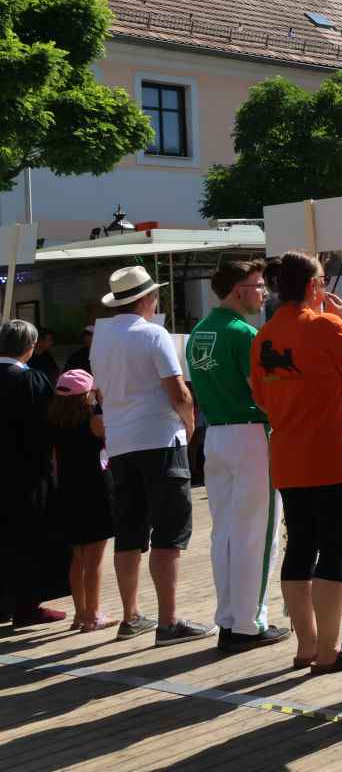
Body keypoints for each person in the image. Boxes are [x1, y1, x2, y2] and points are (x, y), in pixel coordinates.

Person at [251, 251, 342, 676]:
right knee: (335, 548)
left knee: (301, 546)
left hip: (289, 454)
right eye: (323, 280)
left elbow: (262, 397)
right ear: (313, 287)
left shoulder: (264, 335)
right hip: (334, 455)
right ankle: (329, 650)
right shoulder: (326, 326)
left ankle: (306, 644)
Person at [91, 266, 212, 646]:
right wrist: (190, 425)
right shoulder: (153, 333)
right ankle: (168, 621)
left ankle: (131, 616)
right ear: (145, 299)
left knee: (129, 533)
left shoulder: (101, 339)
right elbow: (178, 392)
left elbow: (103, 395)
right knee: (169, 533)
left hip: (122, 444)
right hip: (159, 440)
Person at [186, 259, 290, 653]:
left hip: (217, 437)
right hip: (251, 435)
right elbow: (263, 393)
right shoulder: (244, 333)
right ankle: (249, 621)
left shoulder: (198, 332)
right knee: (258, 533)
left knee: (225, 533)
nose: (263, 292)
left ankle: (230, 616)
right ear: (236, 290)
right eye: (257, 285)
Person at [0, 319, 67, 628]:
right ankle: (26, 606)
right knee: (26, 540)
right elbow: (51, 427)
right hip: (26, 474)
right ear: (29, 347)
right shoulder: (31, 381)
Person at [46, 369, 115, 631]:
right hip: (95, 490)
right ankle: (93, 614)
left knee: (77, 557)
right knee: (94, 558)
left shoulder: (54, 420)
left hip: (68, 490)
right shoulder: (94, 420)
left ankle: (80, 614)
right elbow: (112, 437)